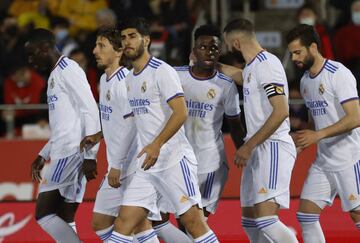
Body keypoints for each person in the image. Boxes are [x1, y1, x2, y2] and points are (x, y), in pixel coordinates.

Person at [107, 17, 219, 243]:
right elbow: (136, 125)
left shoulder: (162, 71)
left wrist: (157, 144)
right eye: (123, 38)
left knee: (193, 222)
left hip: (174, 160)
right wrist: (118, 164)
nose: (127, 42)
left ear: (146, 40)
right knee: (123, 224)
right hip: (147, 165)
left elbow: (181, 112)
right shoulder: (129, 80)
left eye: (132, 36)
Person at [223, 18, 298, 243]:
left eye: (227, 46)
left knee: (266, 220)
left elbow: (281, 110)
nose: (228, 50)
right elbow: (240, 77)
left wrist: (248, 145)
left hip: (272, 146)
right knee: (250, 221)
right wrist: (208, 65)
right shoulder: (253, 67)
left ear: (236, 44)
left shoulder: (267, 64)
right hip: (258, 150)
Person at [79, 27, 157, 242]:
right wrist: (98, 135)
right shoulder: (104, 80)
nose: (95, 50)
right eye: (96, 45)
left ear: (118, 52)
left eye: (101, 46)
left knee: (132, 224)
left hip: (132, 166)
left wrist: (118, 165)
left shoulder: (125, 81)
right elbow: (115, 119)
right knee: (101, 222)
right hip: (118, 164)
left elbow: (133, 126)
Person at [26, 28, 101, 243]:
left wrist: (90, 156)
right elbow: (64, 124)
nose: (31, 61)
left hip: (70, 153)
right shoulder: (55, 75)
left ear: (46, 48)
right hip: (65, 150)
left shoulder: (68, 69)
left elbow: (90, 110)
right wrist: (43, 154)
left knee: (44, 213)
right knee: (65, 216)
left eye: (33, 54)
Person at [287, 24, 360, 242]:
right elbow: (314, 121)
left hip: (349, 158)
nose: (294, 58)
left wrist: (318, 136)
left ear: (313, 47)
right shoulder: (305, 81)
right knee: (306, 216)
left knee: (357, 215)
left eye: (298, 52)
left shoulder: (338, 73)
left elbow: (355, 117)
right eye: (291, 53)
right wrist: (303, 140)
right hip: (324, 160)